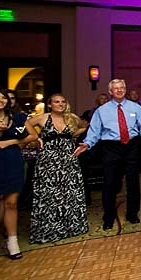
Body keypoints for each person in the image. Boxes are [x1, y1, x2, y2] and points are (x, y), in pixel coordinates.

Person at [74, 79, 141, 230]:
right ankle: (108, 217)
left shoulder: (136, 108)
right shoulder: (102, 110)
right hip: (110, 148)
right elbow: (94, 132)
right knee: (109, 183)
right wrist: (87, 143)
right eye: (115, 88)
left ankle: (132, 214)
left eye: (122, 88)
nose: (119, 90)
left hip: (131, 146)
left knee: (133, 183)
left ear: (125, 89)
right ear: (111, 92)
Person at [23, 94, 89, 244]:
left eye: (63, 102)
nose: (60, 104)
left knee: (69, 193)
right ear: (50, 104)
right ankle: (49, 230)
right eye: (56, 102)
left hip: (68, 160)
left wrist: (73, 135)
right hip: (48, 162)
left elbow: (85, 126)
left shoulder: (71, 117)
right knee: (49, 195)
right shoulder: (42, 118)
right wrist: (36, 137)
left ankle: (71, 228)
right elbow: (24, 123)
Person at [0, 88, 36, 263]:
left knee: (11, 203)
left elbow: (32, 135)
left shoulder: (17, 118)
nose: (1, 100)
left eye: (3, 98)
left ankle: (12, 242)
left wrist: (10, 141)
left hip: (13, 160)